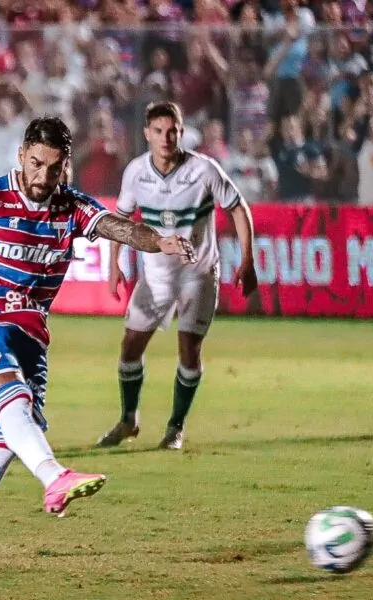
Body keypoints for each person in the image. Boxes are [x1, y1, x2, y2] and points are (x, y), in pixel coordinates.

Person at [0, 116, 195, 563]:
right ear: (21, 155)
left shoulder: (71, 207)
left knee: (2, 445)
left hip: (32, 337)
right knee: (12, 399)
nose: (43, 177)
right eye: (36, 163)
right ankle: (53, 475)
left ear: (66, 168)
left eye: (54, 168)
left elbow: (119, 226)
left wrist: (159, 241)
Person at [96, 101, 258, 451]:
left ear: (181, 132)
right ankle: (128, 419)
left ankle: (175, 427)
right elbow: (120, 222)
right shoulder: (136, 172)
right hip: (154, 279)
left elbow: (238, 208)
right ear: (147, 134)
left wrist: (248, 259)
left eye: (172, 131)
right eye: (158, 131)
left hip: (197, 275)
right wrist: (115, 266)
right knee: (130, 346)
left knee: (189, 350)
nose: (166, 138)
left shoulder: (204, 170)